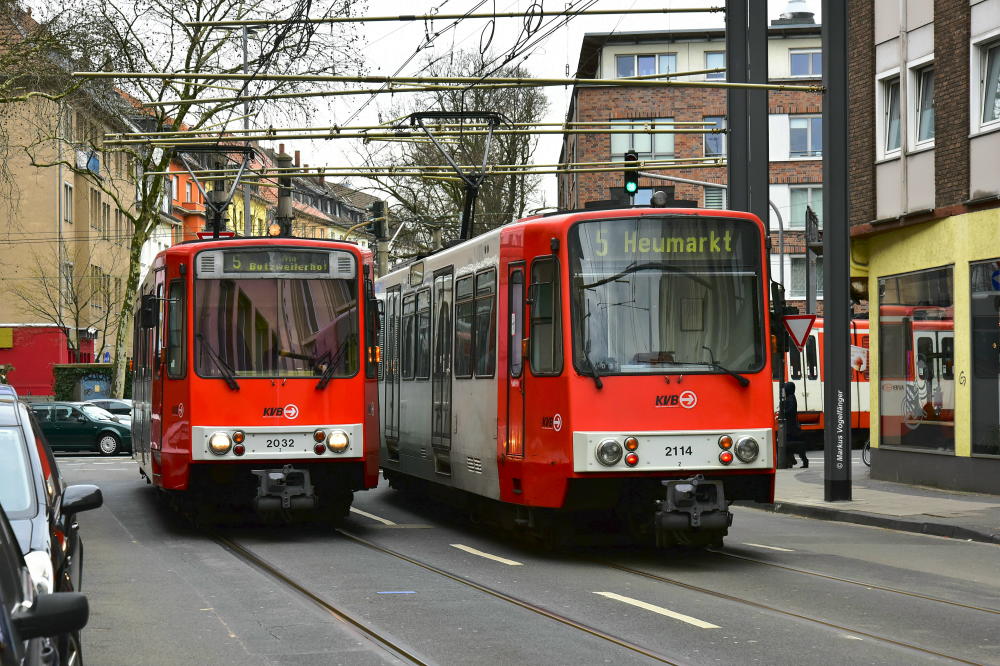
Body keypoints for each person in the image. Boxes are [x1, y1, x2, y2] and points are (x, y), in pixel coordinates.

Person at [782, 382, 808, 468]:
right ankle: (791, 461)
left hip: (790, 425)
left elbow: (791, 410)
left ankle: (791, 461)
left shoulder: (791, 398)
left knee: (788, 443)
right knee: (789, 443)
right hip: (790, 424)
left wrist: (783, 412)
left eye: (786, 388)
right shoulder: (790, 397)